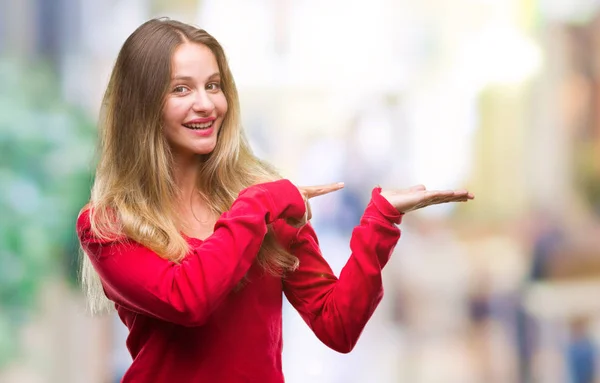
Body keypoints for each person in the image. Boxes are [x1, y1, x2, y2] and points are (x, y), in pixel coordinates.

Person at [76, 18, 474, 383]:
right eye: (181, 88)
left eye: (213, 85)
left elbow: (338, 326)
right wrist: (261, 200)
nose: (206, 103)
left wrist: (380, 221)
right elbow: (188, 299)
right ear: (142, 106)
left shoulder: (266, 205)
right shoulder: (109, 223)